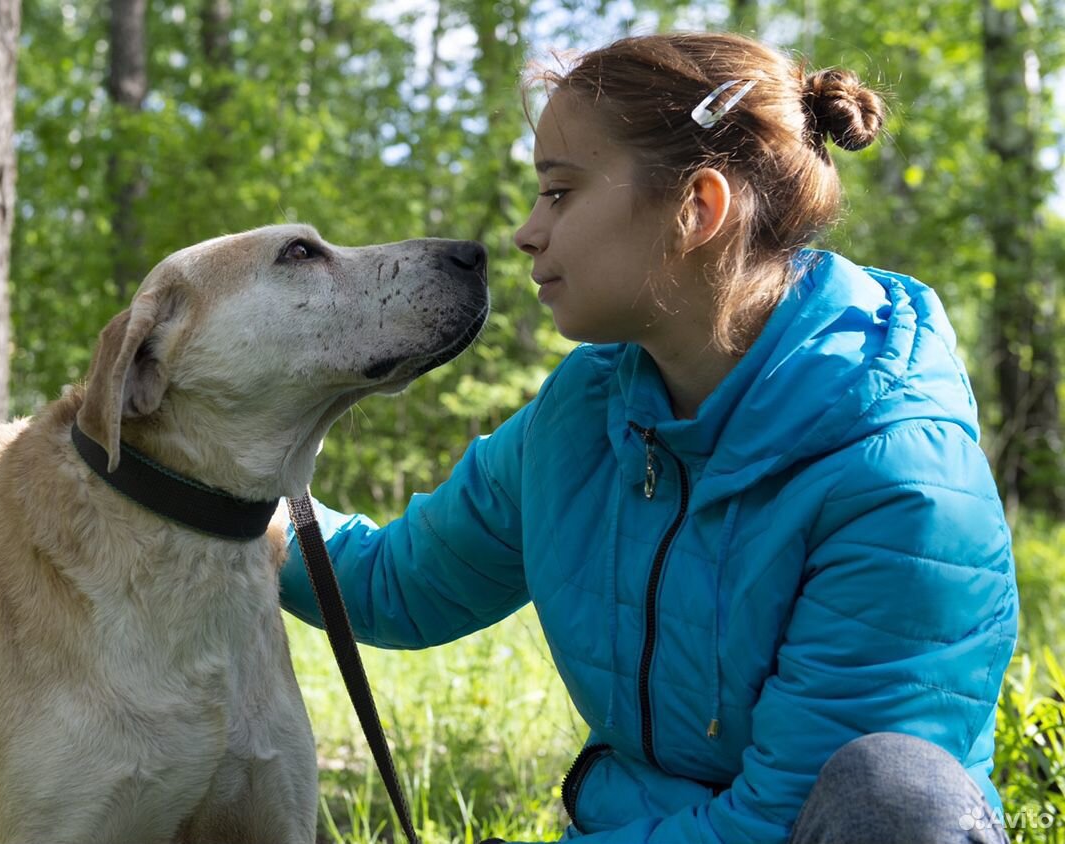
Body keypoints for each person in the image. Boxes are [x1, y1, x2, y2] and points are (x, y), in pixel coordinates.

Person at [280, 31, 1017, 844]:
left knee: (897, 794)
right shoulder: (584, 411)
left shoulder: (898, 481)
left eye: (559, 193)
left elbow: (780, 822)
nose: (527, 232)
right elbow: (397, 584)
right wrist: (231, 493)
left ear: (696, 208)